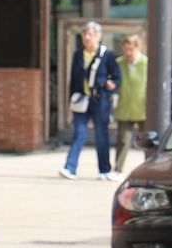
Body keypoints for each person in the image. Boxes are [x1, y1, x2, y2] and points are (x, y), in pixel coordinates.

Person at [61, 21, 120, 180]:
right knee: (79, 133)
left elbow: (116, 77)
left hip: (100, 101)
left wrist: (110, 86)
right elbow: (73, 79)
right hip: (81, 100)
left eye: (91, 34)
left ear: (98, 37)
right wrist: (70, 101)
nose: (87, 38)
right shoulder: (78, 54)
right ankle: (70, 168)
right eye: (84, 34)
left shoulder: (106, 54)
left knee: (102, 135)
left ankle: (104, 170)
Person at [113, 33, 148, 173]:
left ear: (138, 48)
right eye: (125, 49)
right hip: (125, 107)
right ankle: (117, 169)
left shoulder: (146, 63)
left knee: (147, 140)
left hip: (143, 108)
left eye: (131, 50)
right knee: (122, 139)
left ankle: (148, 167)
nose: (128, 53)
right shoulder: (119, 63)